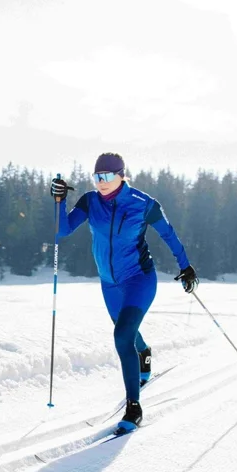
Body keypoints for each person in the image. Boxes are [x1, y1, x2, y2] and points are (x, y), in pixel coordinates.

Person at [50, 152, 197, 432]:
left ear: (121, 175)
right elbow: (62, 232)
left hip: (139, 279)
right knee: (126, 330)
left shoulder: (144, 204)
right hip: (109, 283)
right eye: (96, 177)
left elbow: (169, 234)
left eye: (106, 176)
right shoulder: (90, 201)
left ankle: (134, 406)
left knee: (121, 334)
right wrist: (59, 201)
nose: (101, 182)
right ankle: (144, 352)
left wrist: (185, 266)